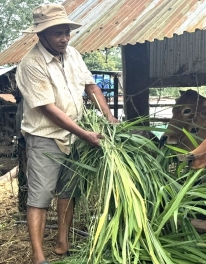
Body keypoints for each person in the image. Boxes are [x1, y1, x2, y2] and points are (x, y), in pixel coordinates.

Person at [16, 4, 119, 264]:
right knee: (39, 198)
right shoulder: (31, 63)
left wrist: (109, 117)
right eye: (56, 34)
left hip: (75, 136)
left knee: (68, 192)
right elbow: (49, 110)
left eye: (66, 32)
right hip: (46, 137)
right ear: (41, 35)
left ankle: (63, 243)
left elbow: (91, 87)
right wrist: (85, 134)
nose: (63, 38)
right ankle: (39, 257)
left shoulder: (72, 54)